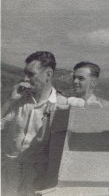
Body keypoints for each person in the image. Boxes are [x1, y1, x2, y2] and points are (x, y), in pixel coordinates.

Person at [1, 51, 68, 196]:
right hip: (8, 175)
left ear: (48, 75)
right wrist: (10, 101)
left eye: (31, 74)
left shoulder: (61, 105)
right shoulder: (18, 99)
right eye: (25, 73)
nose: (25, 79)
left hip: (37, 179)